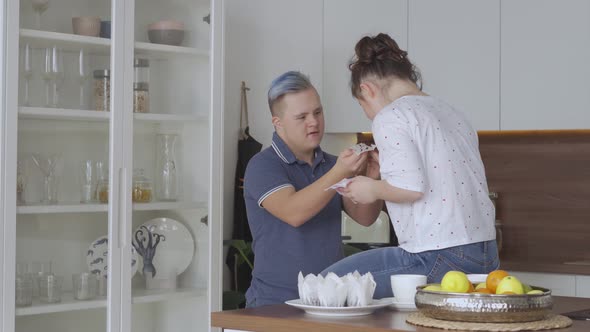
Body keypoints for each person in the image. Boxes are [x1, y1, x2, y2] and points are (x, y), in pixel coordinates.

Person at [322, 33, 499, 298]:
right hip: (486, 257)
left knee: (326, 283)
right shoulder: (452, 112)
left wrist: (370, 188)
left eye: (363, 106)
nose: (369, 115)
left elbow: (411, 188)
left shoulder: (389, 117)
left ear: (367, 90)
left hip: (436, 256)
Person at [243, 71, 383, 307]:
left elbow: (365, 218)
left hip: (327, 303)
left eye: (317, 112)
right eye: (302, 117)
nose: (314, 122)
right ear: (278, 123)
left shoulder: (330, 164)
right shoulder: (262, 165)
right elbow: (293, 212)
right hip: (274, 304)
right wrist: (340, 172)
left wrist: (373, 178)